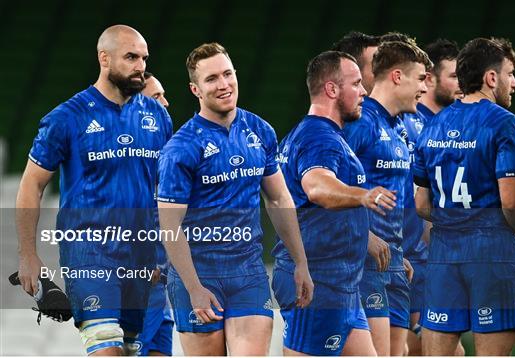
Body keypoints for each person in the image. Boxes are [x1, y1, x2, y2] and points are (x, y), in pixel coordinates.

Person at [16, 25, 173, 355]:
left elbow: (164, 190)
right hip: (90, 252)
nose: (140, 66)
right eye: (130, 57)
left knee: (134, 349)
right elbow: (32, 184)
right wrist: (29, 255)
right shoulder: (66, 118)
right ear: (104, 58)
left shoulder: (157, 116)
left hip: (143, 258)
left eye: (143, 58)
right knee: (105, 345)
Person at [157, 42, 313, 356]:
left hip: (248, 274)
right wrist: (193, 288)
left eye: (228, 74)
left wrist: (301, 262)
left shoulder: (260, 131)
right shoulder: (180, 148)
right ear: (195, 89)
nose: (224, 84)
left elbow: (280, 199)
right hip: (198, 276)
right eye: (212, 78)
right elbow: (169, 224)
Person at [414, 37, 515, 355]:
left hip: (443, 254)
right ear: (491, 78)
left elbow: (421, 204)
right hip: (492, 252)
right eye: (510, 73)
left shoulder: (431, 126)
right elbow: (511, 201)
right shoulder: (505, 124)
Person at [272, 50, 397, 356]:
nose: (364, 91)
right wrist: (363, 196)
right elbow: (316, 187)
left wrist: (363, 235)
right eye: (356, 83)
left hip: (342, 285)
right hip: (319, 282)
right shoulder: (319, 137)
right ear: (331, 89)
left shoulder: (320, 135)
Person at [343, 40, 431, 356]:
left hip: (392, 261)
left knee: (400, 353)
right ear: (397, 76)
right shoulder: (360, 122)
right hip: (362, 265)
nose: (425, 88)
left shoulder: (397, 129)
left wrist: (397, 255)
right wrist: (365, 237)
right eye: (420, 78)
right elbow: (327, 190)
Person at [400, 39, 465, 356]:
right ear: (429, 79)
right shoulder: (414, 126)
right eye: (453, 76)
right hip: (413, 259)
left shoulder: (440, 127)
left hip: (431, 259)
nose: (460, 85)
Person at [135, 72, 174, 356]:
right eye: (156, 97)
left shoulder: (163, 152)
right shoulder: (123, 157)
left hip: (162, 286)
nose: (166, 103)